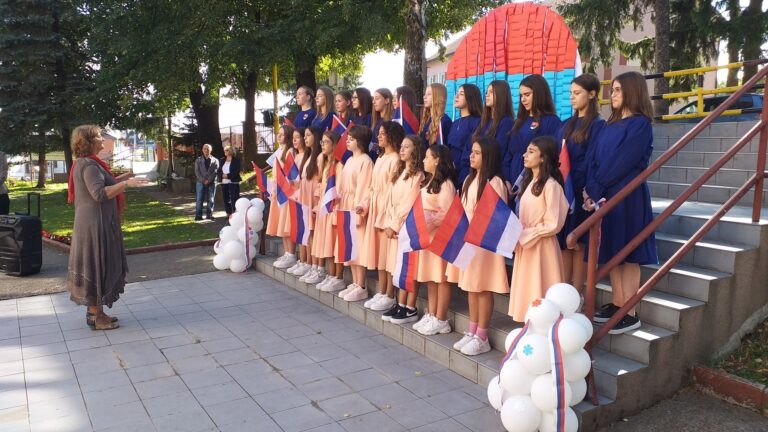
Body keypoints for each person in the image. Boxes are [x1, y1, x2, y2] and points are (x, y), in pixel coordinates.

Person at [585, 71, 658, 335]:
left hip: (627, 196)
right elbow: (593, 159)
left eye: (617, 90)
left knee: (629, 253)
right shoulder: (609, 125)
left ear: (632, 91)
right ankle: (617, 302)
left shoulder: (640, 125)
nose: (612, 94)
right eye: (613, 89)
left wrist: (597, 187)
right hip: (605, 194)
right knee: (613, 251)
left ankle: (630, 310)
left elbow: (623, 162)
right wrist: (590, 190)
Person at [66, 125, 147, 330]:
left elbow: (101, 185)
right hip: (95, 226)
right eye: (99, 136)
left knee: (96, 265)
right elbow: (99, 194)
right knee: (97, 266)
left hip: (93, 223)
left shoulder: (87, 163)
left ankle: (95, 313)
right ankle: (96, 316)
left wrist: (123, 179)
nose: (103, 139)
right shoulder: (90, 165)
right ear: (89, 141)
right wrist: (126, 185)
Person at [455, 137, 510, 355]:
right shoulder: (469, 179)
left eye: (477, 153)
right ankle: (472, 330)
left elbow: (495, 215)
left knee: (483, 286)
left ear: (488, 156)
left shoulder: (494, 182)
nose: (471, 156)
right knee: (471, 286)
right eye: (472, 152)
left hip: (484, 242)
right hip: (468, 240)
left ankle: (482, 335)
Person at [508, 136, 569, 321]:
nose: (525, 155)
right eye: (526, 151)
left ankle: (543, 326)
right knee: (528, 288)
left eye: (531, 152)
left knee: (540, 287)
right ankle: (530, 325)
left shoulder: (551, 186)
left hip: (541, 246)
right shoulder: (529, 183)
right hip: (527, 244)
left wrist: (525, 234)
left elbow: (553, 223)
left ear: (543, 158)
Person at [556, 74, 605, 293]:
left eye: (577, 93)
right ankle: (563, 291)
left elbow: (593, 159)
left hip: (582, 190)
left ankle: (577, 295)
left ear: (592, 94)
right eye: (570, 93)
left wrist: (587, 189)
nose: (572, 97)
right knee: (564, 244)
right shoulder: (566, 124)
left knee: (578, 244)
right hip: (563, 189)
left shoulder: (598, 125)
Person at [413, 144, 459, 335]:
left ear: (437, 160)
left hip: (440, 236)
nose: (424, 160)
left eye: (427, 157)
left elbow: (448, 213)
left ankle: (441, 318)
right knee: (431, 277)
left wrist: (430, 220)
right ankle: (432, 314)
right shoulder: (428, 181)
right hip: (427, 236)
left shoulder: (446, 185)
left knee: (441, 278)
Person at [381, 135, 425, 324]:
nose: (402, 149)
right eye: (402, 146)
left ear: (416, 150)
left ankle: (410, 306)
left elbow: (410, 202)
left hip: (409, 225)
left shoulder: (418, 175)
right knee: (399, 266)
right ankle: (400, 303)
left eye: (407, 147)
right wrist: (389, 221)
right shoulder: (399, 172)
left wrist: (396, 224)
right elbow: (391, 200)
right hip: (396, 223)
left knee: (410, 266)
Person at [361, 121, 403, 312]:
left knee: (388, 253)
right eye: (378, 133)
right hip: (376, 207)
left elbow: (393, 189)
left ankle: (390, 293)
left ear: (392, 136)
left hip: (387, 208)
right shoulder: (381, 157)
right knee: (379, 252)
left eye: (383, 133)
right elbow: (372, 187)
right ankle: (382, 290)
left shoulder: (395, 159)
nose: (378, 136)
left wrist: (386, 211)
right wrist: (365, 205)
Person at [335, 125, 373, 302]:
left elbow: (366, 187)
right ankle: (355, 281)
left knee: (357, 244)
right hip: (345, 203)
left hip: (356, 205)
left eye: (351, 139)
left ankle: (361, 285)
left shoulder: (366, 161)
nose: (347, 141)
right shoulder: (349, 160)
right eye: (347, 138)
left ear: (360, 141)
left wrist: (360, 206)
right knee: (349, 244)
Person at [505, 74, 562, 191]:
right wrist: (506, 180)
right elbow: (508, 154)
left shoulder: (552, 122)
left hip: (536, 183)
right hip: (513, 182)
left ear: (539, 94)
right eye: (521, 95)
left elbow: (552, 155)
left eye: (527, 95)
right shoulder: (518, 121)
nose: (523, 99)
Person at [314, 131, 346, 292]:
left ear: (335, 144)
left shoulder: (339, 166)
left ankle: (338, 277)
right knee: (327, 242)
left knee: (335, 243)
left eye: (326, 142)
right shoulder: (326, 164)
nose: (322, 145)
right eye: (321, 142)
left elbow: (338, 190)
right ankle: (331, 274)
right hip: (324, 209)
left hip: (334, 209)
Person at [298, 126, 324, 284]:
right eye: (305, 135)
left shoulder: (319, 157)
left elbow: (321, 181)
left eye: (308, 135)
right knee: (309, 232)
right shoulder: (308, 156)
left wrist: (317, 202)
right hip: (305, 199)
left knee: (315, 233)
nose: (305, 138)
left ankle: (318, 267)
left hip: (313, 199)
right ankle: (312, 264)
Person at [272, 124, 299, 270]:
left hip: (288, 191)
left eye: (282, 134)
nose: (279, 136)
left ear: (288, 137)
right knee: (281, 222)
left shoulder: (290, 151)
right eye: (278, 133)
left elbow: (292, 174)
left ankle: (291, 253)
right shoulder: (280, 151)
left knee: (287, 223)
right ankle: (286, 252)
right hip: (279, 190)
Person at [472, 80, 514, 171]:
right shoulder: (482, 121)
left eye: (491, 92)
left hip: (491, 171)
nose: (487, 95)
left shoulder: (506, 122)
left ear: (501, 95)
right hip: (476, 170)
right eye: (486, 92)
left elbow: (499, 150)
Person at [447, 84, 482, 186]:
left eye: (461, 94)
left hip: (464, 170)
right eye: (457, 93)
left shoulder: (477, 122)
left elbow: (472, 147)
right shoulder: (455, 123)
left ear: (470, 98)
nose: (456, 96)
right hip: (450, 170)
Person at [286, 128, 310, 277]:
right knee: (300, 229)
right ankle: (302, 260)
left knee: (305, 229)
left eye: (298, 137)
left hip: (303, 195)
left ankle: (307, 261)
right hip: (295, 195)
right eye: (293, 137)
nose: (294, 140)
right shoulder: (295, 155)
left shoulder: (306, 156)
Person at [419, 83, 452, 147]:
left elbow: (446, 148)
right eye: (425, 94)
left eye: (429, 94)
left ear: (438, 97)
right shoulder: (427, 119)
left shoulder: (445, 121)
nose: (424, 97)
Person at [194, 143, 219, 221]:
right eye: (205, 149)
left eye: (208, 149)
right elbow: (197, 172)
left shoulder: (215, 160)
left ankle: (209, 215)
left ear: (210, 150)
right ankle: (198, 215)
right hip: (200, 182)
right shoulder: (198, 160)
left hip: (211, 182)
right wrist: (203, 180)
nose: (206, 150)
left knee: (211, 199)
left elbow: (215, 172)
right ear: (202, 150)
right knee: (199, 199)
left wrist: (209, 180)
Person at [370, 88, 394, 163]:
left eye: (377, 98)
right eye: (373, 99)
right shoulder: (375, 121)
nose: (373, 102)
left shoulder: (392, 121)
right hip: (373, 160)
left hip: (385, 161)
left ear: (387, 100)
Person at [219, 145, 241, 216]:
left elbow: (236, 171)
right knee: (226, 198)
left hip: (233, 182)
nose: (225, 151)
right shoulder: (222, 160)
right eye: (225, 150)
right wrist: (222, 175)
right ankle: (228, 213)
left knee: (234, 198)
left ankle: (235, 213)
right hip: (224, 182)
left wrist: (227, 176)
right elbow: (219, 170)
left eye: (227, 150)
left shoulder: (236, 160)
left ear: (231, 151)